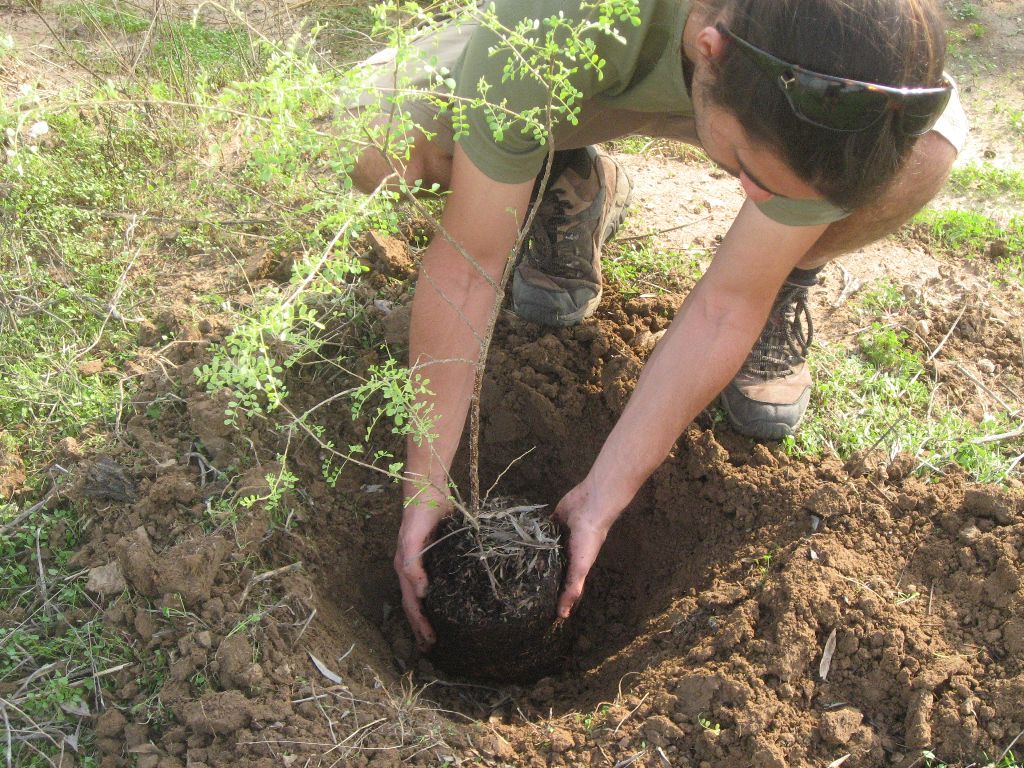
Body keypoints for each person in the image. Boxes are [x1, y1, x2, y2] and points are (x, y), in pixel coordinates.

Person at [350, 0, 968, 650]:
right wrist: (424, 484)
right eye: (751, 176)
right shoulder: (550, 20)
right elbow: (471, 265)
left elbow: (723, 307)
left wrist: (601, 499)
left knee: (922, 157)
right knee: (373, 130)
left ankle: (784, 264)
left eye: (778, 193)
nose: (748, 197)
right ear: (709, 49)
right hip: (582, 57)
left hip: (758, 94)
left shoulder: (862, 87)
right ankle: (553, 173)